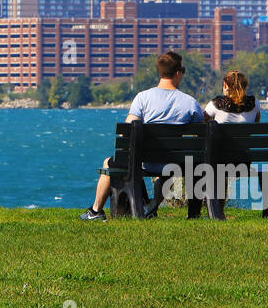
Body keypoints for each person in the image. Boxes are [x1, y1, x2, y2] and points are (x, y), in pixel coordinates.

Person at [81, 51, 203, 221]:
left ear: (160, 72)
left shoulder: (143, 98)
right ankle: (177, 211)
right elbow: (201, 132)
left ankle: (95, 211)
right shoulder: (190, 102)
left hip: (145, 161)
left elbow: (127, 131)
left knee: (109, 163)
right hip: (176, 162)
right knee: (165, 169)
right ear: (177, 73)